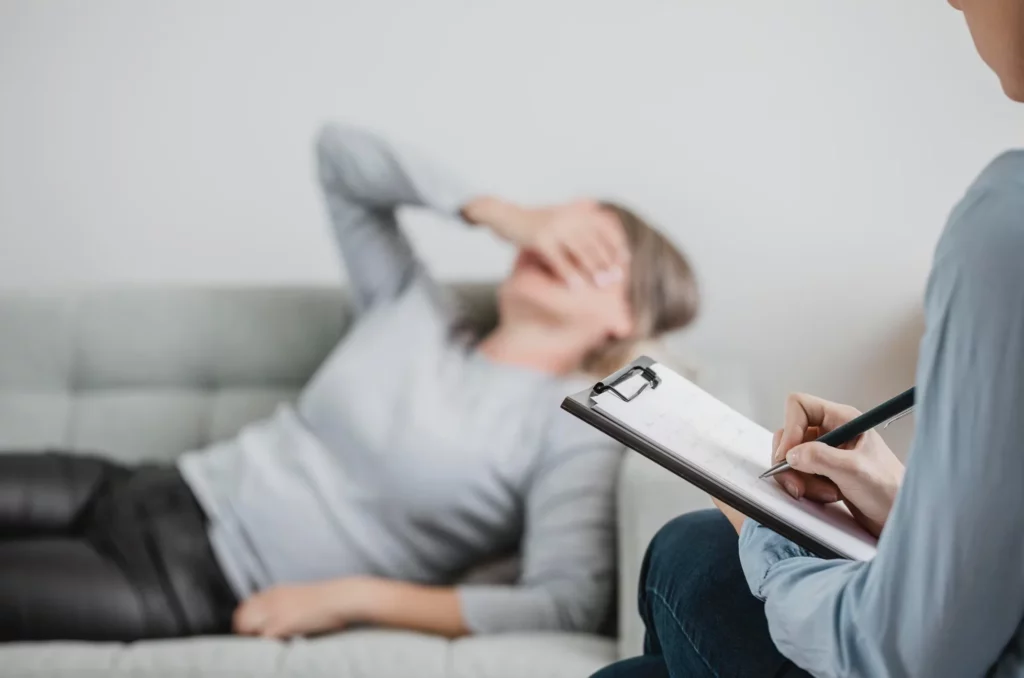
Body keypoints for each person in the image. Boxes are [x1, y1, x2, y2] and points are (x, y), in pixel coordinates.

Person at [0, 124, 700, 642]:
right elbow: (339, 154)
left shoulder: (568, 427)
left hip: (183, 586)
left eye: (598, 252)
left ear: (626, 315)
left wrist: (354, 597)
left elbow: (563, 603)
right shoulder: (414, 311)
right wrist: (499, 211)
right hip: (138, 485)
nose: (561, 246)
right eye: (564, 226)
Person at [594, 1, 1024, 676]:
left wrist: (769, 531)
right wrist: (909, 505)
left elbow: (903, 657)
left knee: (694, 552)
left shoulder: (1008, 224)